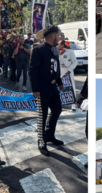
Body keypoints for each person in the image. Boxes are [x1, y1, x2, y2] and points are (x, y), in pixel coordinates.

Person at [28, 25, 65, 156]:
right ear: (52, 36)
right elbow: (33, 70)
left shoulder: (54, 49)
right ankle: (41, 141)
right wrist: (35, 89)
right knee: (42, 115)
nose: (60, 38)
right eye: (58, 35)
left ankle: (49, 135)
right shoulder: (38, 50)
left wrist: (59, 81)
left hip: (53, 87)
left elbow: (56, 67)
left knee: (57, 110)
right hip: (42, 88)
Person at [57, 40, 77, 111]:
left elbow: (75, 62)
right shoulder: (56, 51)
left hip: (68, 70)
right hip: (60, 71)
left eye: (59, 45)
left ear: (63, 45)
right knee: (60, 86)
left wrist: (70, 69)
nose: (58, 46)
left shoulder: (70, 51)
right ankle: (60, 102)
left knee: (71, 86)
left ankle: (73, 104)